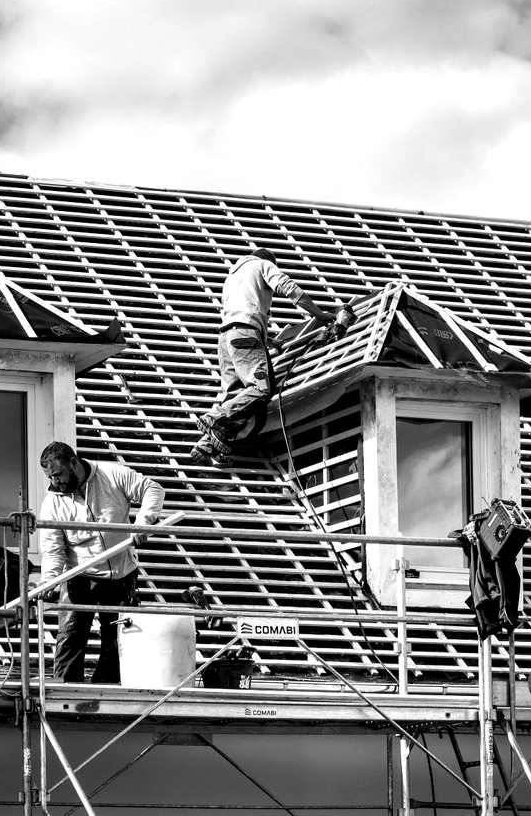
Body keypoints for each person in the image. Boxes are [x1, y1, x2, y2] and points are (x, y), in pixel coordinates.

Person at [190, 248, 336, 467]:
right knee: (261, 389)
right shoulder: (262, 264)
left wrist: (270, 341)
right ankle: (216, 417)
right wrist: (319, 314)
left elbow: (239, 314)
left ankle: (207, 444)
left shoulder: (233, 275)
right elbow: (290, 290)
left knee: (237, 395)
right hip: (246, 334)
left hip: (226, 339)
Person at [37, 441, 165, 683]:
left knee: (118, 639)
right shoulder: (52, 503)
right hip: (78, 575)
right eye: (49, 477)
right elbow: (53, 550)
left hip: (120, 574)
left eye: (57, 474)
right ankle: (65, 691)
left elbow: (153, 489)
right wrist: (50, 581)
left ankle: (108, 692)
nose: (55, 482)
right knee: (70, 636)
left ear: (73, 463)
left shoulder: (113, 475)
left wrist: (144, 522)